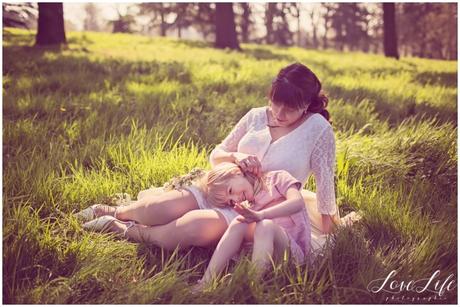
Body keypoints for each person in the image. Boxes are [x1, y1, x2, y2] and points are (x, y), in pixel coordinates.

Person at [76, 62, 356, 252]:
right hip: (220, 185)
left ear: (306, 105)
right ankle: (112, 211)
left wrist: (330, 230)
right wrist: (235, 157)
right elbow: (216, 155)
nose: (279, 113)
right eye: (275, 103)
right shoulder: (257, 116)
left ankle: (125, 230)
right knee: (158, 208)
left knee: (194, 226)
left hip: (258, 207)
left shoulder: (317, 130)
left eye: (289, 108)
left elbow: (324, 183)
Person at [192, 163, 310, 291]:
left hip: (293, 255)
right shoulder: (247, 206)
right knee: (240, 221)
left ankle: (251, 286)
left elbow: (297, 202)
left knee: (265, 225)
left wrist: (262, 215)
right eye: (231, 202)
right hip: (267, 259)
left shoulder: (276, 178)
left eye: (230, 191)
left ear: (237, 173)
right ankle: (207, 281)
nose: (236, 200)